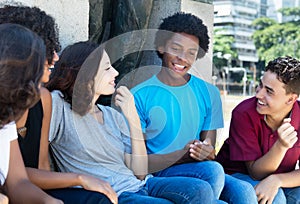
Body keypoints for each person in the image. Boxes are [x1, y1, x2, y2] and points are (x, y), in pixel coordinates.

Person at [47, 40, 213, 203]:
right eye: (107, 68)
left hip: (143, 184)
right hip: (117, 194)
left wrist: (132, 116)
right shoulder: (58, 104)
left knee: (201, 189)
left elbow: (140, 172)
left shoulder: (112, 115)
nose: (115, 73)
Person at [131, 12, 257, 203]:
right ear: (161, 46)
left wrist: (205, 151)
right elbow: (137, 164)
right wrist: (180, 155)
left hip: (198, 169)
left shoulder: (209, 93)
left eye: (191, 52)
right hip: (158, 172)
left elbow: (210, 150)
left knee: (244, 192)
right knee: (212, 172)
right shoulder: (139, 96)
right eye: (176, 48)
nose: (183, 58)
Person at [0, 5, 112, 203]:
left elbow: (21, 180)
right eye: (48, 49)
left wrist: (50, 201)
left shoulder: (23, 108)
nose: (56, 57)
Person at [216, 56, 300, 204]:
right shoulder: (244, 113)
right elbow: (256, 173)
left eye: (269, 91)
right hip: (235, 175)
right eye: (260, 85)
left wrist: (277, 180)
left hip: (277, 178)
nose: (258, 94)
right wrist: (281, 146)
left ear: (290, 99)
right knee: (275, 198)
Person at [0, 23, 62, 204]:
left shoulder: (6, 121)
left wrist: (48, 201)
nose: (39, 88)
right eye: (35, 79)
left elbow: (18, 182)